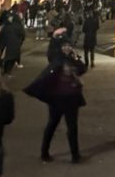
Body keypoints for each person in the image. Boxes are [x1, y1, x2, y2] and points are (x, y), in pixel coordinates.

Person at [30, 31, 87, 163]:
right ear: (60, 47)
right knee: (52, 124)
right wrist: (54, 37)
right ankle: (44, 152)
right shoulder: (56, 58)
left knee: (72, 127)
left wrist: (76, 58)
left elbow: (83, 69)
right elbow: (51, 52)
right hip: (57, 98)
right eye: (64, 46)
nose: (66, 48)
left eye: (68, 45)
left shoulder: (73, 58)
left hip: (71, 98)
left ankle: (75, 155)